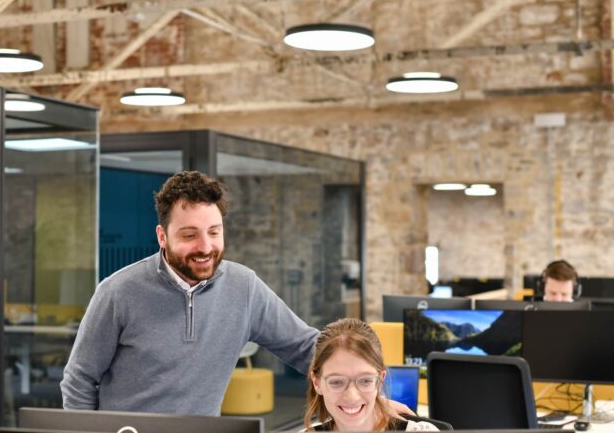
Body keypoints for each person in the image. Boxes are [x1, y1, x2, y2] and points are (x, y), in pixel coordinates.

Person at [61, 171, 411, 417]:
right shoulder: (118, 292)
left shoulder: (243, 288)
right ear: (162, 237)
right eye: (189, 235)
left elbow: (308, 349)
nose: (205, 246)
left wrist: (373, 397)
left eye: (214, 231)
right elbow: (79, 380)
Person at [304, 317, 437, 432]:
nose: (352, 397)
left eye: (365, 380)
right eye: (337, 382)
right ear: (317, 383)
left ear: (380, 381)